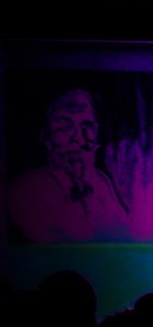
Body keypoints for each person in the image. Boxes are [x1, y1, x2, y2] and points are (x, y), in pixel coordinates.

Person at [8, 88, 130, 242]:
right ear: (46, 137)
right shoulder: (27, 190)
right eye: (65, 127)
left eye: (87, 126)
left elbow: (125, 237)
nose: (79, 138)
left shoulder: (101, 180)